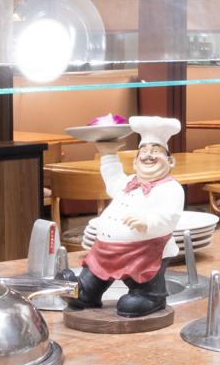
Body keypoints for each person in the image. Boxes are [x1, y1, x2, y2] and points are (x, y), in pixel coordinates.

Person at [73, 116, 185, 318]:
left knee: (142, 286)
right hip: (103, 250)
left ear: (170, 161)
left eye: (155, 151)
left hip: (144, 251)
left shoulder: (171, 188)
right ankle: (85, 292)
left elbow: (170, 216)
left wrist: (147, 223)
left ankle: (151, 297)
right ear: (134, 161)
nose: (148, 156)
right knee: (91, 279)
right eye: (143, 152)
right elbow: (112, 179)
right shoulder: (129, 182)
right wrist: (109, 154)